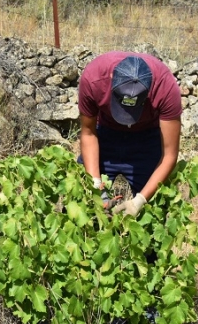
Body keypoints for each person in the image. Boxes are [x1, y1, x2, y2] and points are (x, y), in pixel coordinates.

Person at [77, 51, 182, 216]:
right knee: (85, 203)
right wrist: (96, 185)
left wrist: (139, 200)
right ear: (112, 78)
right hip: (105, 136)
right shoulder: (93, 78)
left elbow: (170, 155)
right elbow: (88, 133)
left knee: (153, 212)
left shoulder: (165, 87)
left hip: (147, 138)